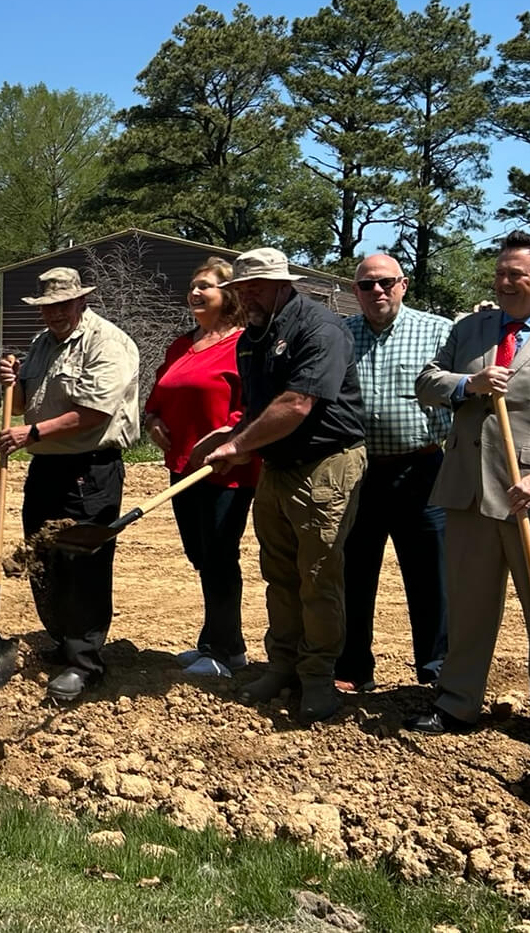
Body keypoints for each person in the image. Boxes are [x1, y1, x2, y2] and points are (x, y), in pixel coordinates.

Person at [406, 232, 530, 735]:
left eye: (515, 275)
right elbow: (426, 384)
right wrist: (466, 385)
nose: (504, 283)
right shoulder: (471, 330)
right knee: (470, 608)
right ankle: (457, 703)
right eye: (498, 274)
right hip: (469, 492)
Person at [192, 247, 368, 725]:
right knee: (279, 573)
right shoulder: (252, 335)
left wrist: (238, 446)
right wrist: (235, 440)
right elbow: (258, 407)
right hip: (277, 466)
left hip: (325, 465)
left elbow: (296, 404)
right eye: (241, 287)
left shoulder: (318, 328)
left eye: (257, 285)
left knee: (317, 577)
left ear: (283, 283)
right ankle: (282, 665)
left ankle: (317, 677)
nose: (246, 293)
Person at [0, 267, 138, 700]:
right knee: (43, 556)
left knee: (83, 563)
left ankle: (85, 661)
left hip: (89, 469)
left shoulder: (106, 343)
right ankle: (63, 638)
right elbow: (22, 405)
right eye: (47, 307)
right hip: (47, 466)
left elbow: (95, 412)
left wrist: (32, 435)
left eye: (62, 305)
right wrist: (10, 382)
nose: (54, 314)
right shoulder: (42, 345)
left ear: (80, 301)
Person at [336, 254, 452, 693]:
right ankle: (352, 667)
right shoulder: (342, 335)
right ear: (355, 291)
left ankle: (435, 667)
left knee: (431, 573)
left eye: (386, 283)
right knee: (354, 570)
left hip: (422, 468)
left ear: (403, 285)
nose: (377, 291)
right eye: (367, 285)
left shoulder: (437, 331)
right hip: (360, 472)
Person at [142, 257, 259, 678]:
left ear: (227, 296)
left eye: (205, 286)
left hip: (225, 471)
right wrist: (153, 421)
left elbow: (251, 406)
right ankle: (225, 641)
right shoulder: (181, 345)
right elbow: (156, 398)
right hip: (181, 466)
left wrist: (229, 436)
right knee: (200, 554)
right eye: (192, 285)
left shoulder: (243, 344)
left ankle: (221, 651)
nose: (195, 292)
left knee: (219, 556)